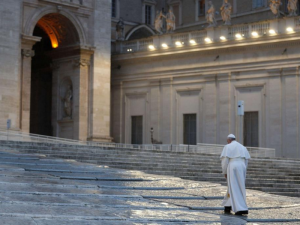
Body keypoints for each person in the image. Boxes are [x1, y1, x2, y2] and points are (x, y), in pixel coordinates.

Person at [220, 134, 250, 215]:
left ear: (229, 140)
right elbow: (247, 160)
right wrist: (244, 170)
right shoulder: (243, 147)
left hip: (232, 165)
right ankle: (228, 205)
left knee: (233, 186)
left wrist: (225, 172)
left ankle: (240, 208)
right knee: (239, 187)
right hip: (242, 166)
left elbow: (225, 161)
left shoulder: (227, 146)